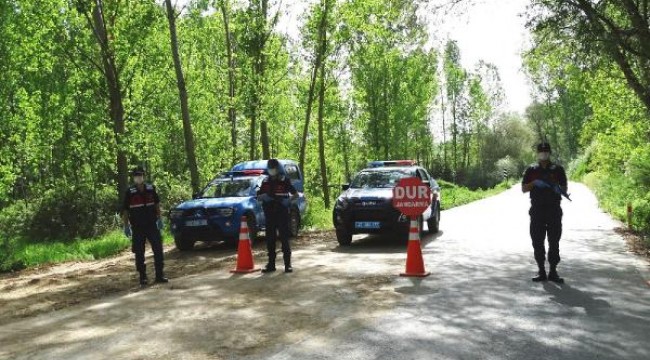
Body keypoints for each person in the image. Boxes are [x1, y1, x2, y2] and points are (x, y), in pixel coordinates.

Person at [522, 142, 568, 283]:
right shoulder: (531, 170)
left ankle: (553, 271)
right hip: (537, 211)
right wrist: (534, 183)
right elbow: (524, 188)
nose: (544, 154)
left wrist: (557, 188)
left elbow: (565, 188)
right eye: (541, 152)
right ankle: (541, 270)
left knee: (554, 241)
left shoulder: (558, 169)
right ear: (537, 153)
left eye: (546, 151)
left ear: (550, 153)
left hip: (554, 210)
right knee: (537, 241)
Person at [122, 166, 168, 285]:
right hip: (138, 227)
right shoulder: (129, 192)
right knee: (139, 252)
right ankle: (143, 277)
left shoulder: (151, 189)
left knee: (158, 249)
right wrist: (126, 225)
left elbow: (157, 204)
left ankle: (159, 275)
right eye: (137, 176)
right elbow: (126, 210)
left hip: (152, 224)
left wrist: (160, 219)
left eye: (140, 175)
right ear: (133, 178)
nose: (139, 178)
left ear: (144, 176)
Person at [257, 159, 299, 273]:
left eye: (273, 168)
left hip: (282, 213)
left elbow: (296, 195)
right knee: (270, 240)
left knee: (284, 239)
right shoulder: (265, 181)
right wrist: (262, 197)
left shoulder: (284, 180)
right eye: (270, 168)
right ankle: (271, 264)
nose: (272, 171)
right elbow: (258, 196)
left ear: (277, 169)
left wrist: (288, 200)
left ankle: (287, 265)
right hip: (269, 214)